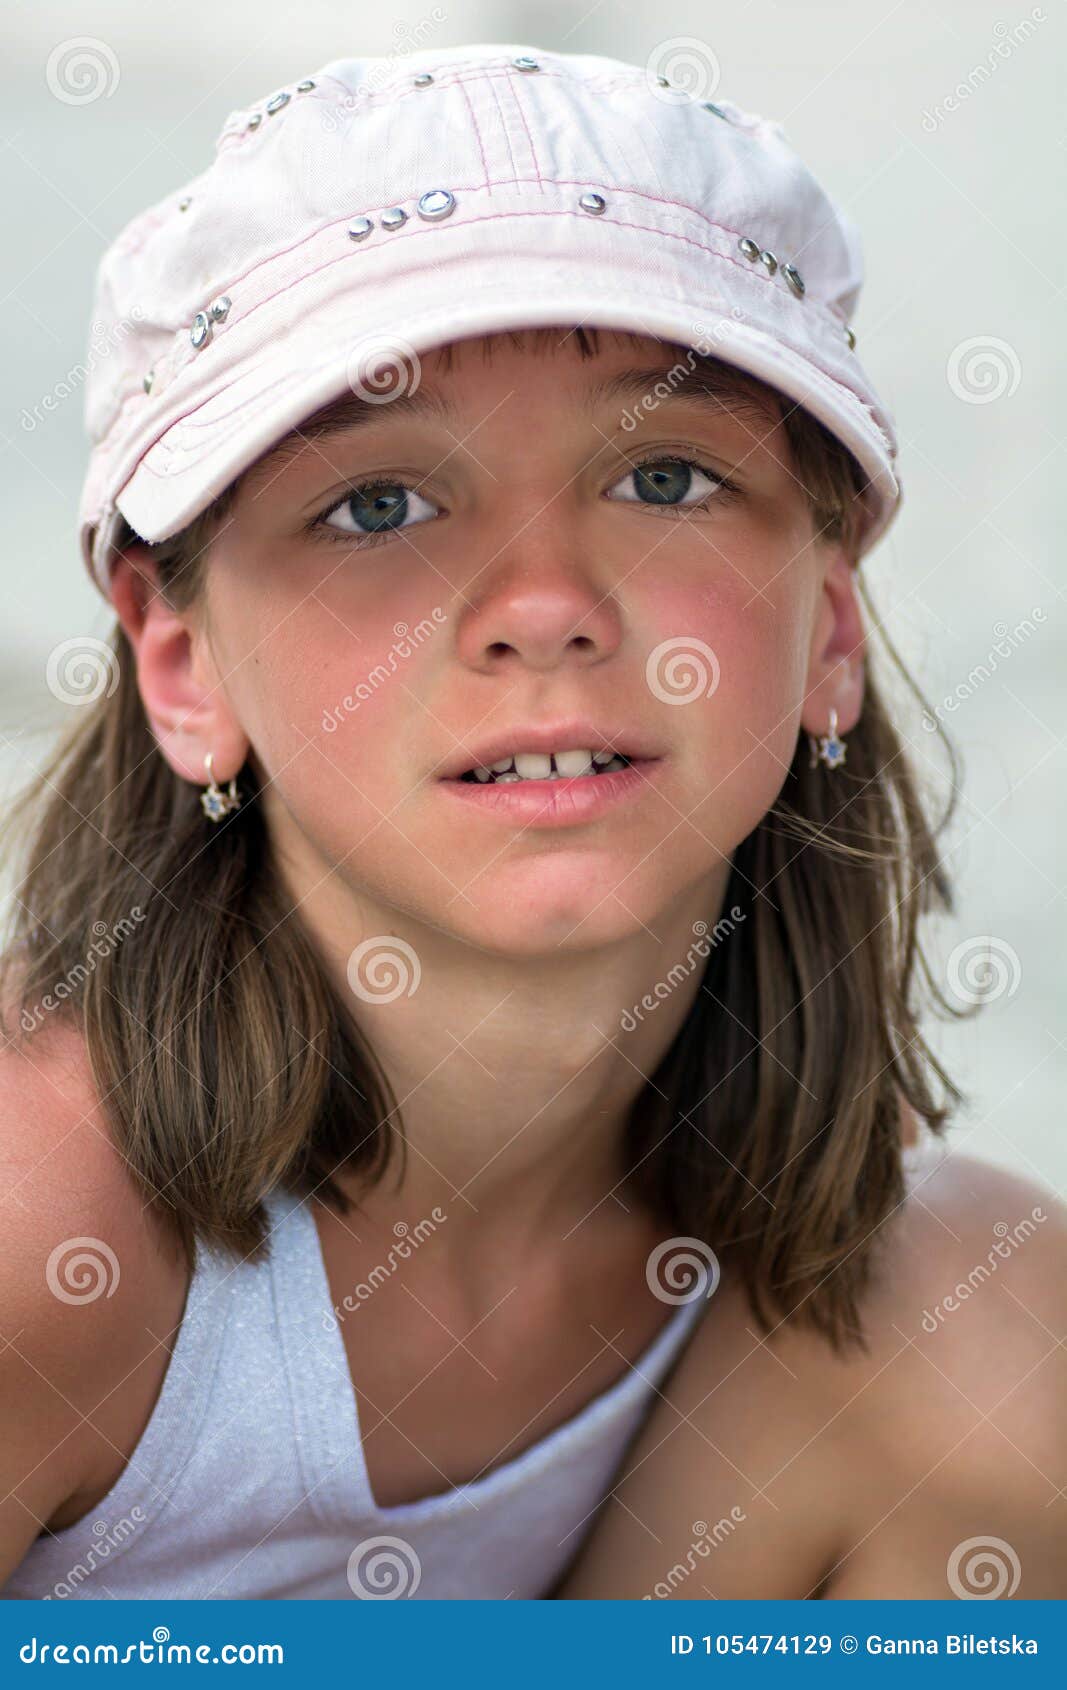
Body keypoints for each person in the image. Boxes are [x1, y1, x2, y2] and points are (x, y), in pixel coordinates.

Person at [0, 43, 1062, 1602]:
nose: (547, 605)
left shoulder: (816, 1242)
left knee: (992, 1314)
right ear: (180, 661)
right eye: (379, 505)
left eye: (668, 474)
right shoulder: (41, 1225)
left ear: (830, 625)